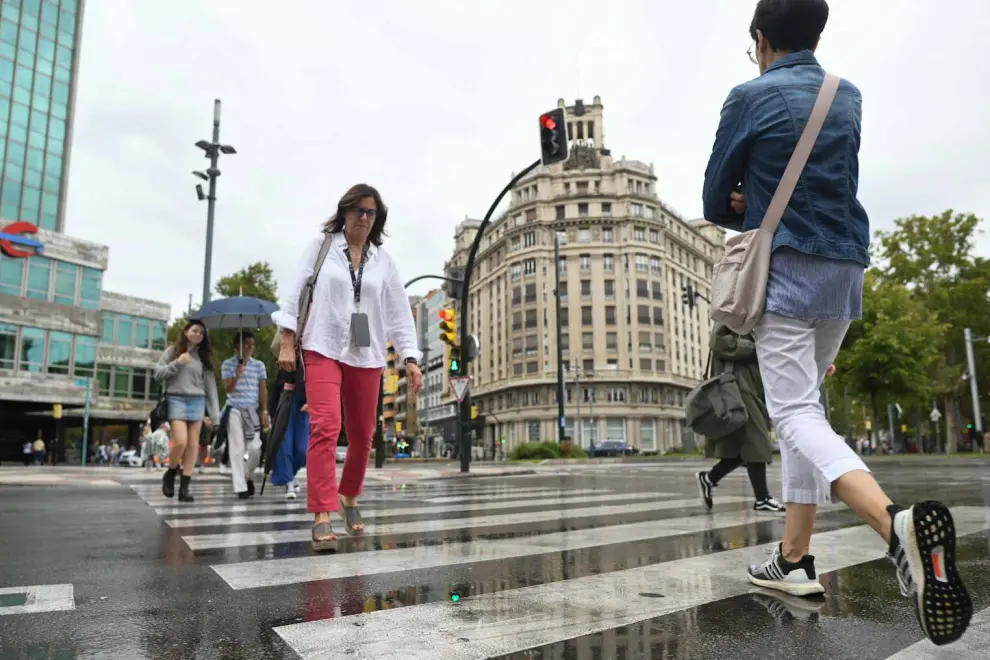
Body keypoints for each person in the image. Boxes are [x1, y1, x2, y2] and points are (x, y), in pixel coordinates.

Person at [701, 0, 971, 646]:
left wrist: (747, 197)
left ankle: (895, 525)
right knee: (808, 408)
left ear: (761, 40)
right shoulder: (845, 96)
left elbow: (716, 198)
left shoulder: (748, 96)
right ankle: (794, 559)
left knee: (793, 413)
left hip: (788, 271)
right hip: (845, 271)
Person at [274, 183, 423, 552]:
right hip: (322, 344)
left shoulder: (384, 262)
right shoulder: (321, 247)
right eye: (357, 209)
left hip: (366, 352)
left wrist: (410, 357)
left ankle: (349, 496)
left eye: (371, 212)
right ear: (344, 212)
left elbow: (399, 314)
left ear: (378, 219)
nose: (363, 217)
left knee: (363, 434)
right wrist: (289, 340)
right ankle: (322, 513)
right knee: (326, 425)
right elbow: (295, 293)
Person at [697, 323, 785, 513]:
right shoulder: (730, 315)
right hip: (737, 387)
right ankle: (762, 498)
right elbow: (718, 342)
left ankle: (709, 478)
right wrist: (755, 347)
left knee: (741, 448)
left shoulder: (751, 320)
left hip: (751, 387)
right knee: (757, 440)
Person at [154, 319, 220, 502]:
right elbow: (158, 374)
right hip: (175, 398)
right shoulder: (172, 351)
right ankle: (170, 472)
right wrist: (178, 363)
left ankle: (184, 488)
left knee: (193, 446)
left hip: (197, 401)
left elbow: (211, 388)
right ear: (185, 332)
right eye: (195, 330)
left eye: (201, 332)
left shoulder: (203, 358)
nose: (198, 334)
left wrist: (215, 416)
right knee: (180, 442)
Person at [220, 331, 269, 498]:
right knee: (237, 448)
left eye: (252, 344)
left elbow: (263, 389)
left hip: (252, 410)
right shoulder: (227, 364)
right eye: (246, 344)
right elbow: (228, 389)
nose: (250, 347)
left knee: (256, 447)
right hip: (234, 408)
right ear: (237, 346)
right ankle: (240, 487)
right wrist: (237, 375)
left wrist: (264, 410)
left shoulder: (259, 365)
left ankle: (246, 474)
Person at [269, 370, 309, 500]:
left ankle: (289, 475)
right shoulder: (287, 351)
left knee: (303, 450)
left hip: (305, 402)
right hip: (286, 399)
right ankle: (289, 481)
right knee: (285, 445)